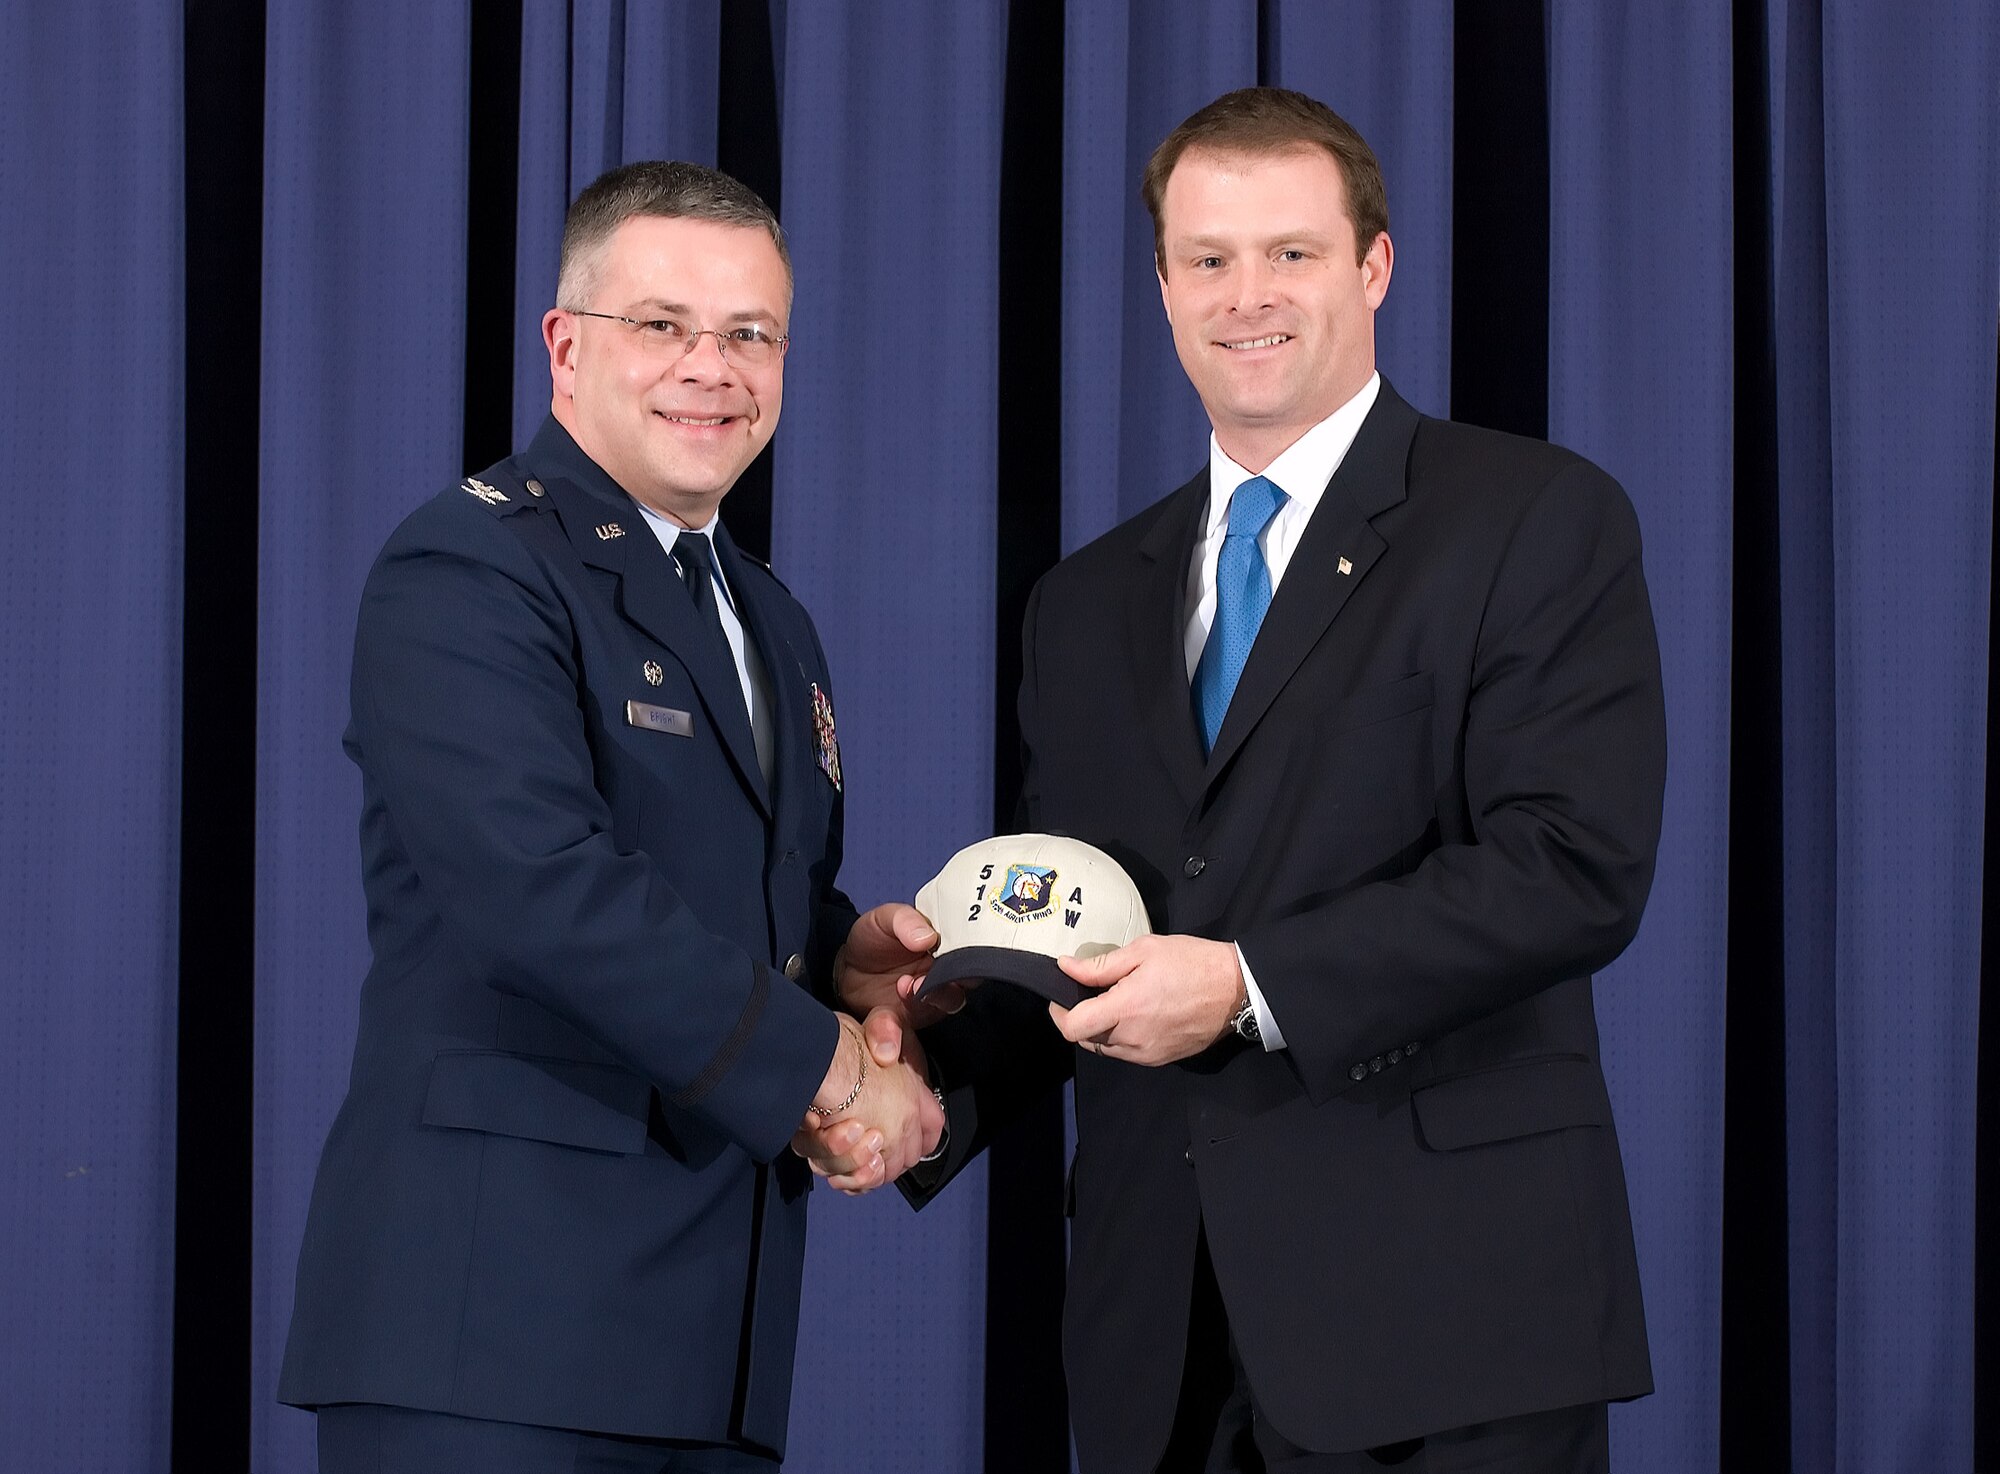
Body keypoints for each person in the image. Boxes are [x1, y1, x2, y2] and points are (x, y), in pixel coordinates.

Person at [842, 87, 1667, 1473]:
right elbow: (1089, 931)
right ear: (1164, 286)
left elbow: (1571, 867)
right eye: (1208, 258)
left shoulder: (1534, 517)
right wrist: (911, 1064)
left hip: (1445, 1321)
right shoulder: (1086, 602)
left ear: (1375, 266)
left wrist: (1246, 985)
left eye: (1292, 252)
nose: (1248, 296)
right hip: (1158, 1332)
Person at [279, 161, 940, 1474]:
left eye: (750, 334)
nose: (712, 368)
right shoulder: (470, 564)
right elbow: (539, 890)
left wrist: (842, 964)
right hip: (492, 1337)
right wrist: (825, 1065)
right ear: (566, 346)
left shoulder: (770, 616)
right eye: (663, 325)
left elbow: (718, 893)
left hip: (708, 1343)